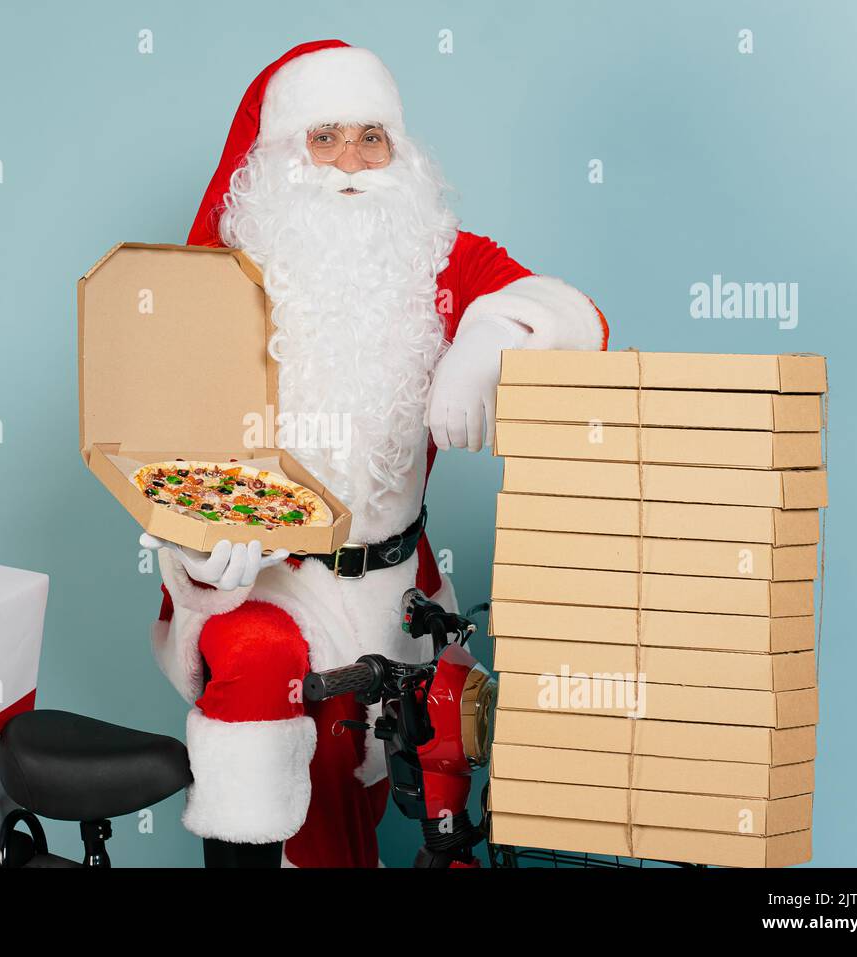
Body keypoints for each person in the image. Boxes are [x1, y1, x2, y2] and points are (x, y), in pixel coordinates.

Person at [141, 40, 608, 868]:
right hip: (271, 585)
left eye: (371, 138)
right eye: (323, 138)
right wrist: (201, 548)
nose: (351, 162)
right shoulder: (219, 280)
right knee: (259, 668)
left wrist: (493, 333)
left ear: (401, 153)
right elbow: (168, 454)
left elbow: (579, 324)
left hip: (395, 587)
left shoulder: (437, 259)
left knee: (368, 785)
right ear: (278, 157)